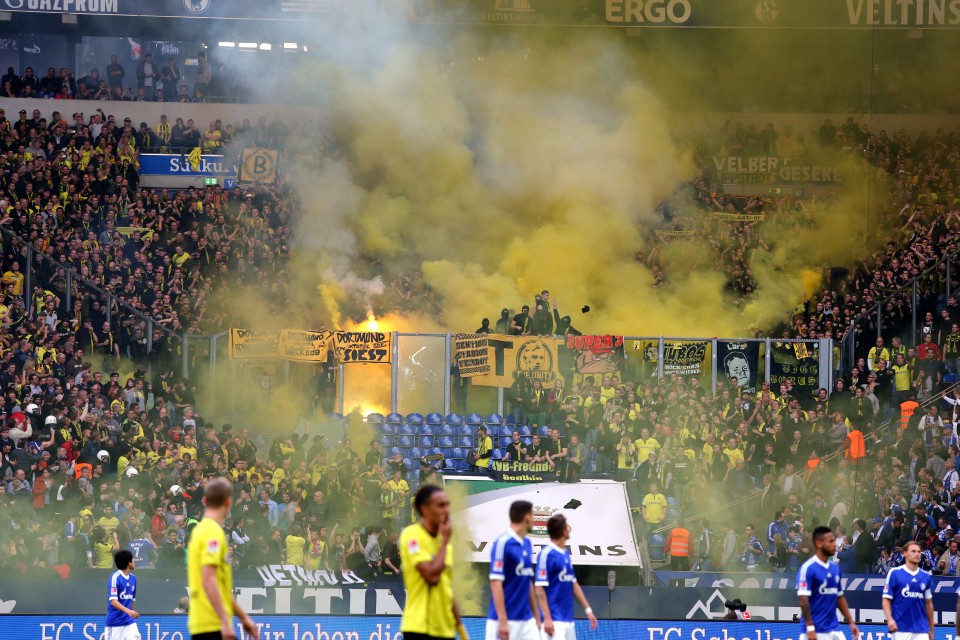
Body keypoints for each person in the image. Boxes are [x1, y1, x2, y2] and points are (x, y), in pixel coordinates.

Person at [187, 477, 259, 640]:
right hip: (214, 624)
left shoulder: (199, 531)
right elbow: (209, 579)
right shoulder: (213, 532)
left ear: (204, 501)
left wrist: (243, 617)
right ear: (228, 503)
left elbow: (220, 586)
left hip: (201, 622)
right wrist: (225, 622)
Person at [399, 485, 466, 640]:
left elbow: (446, 587)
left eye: (447, 505)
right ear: (425, 509)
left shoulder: (444, 541)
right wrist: (444, 543)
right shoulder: (412, 535)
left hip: (445, 629)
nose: (446, 510)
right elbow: (432, 577)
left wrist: (462, 632)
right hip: (419, 628)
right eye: (441, 505)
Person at [534, 513, 598, 640]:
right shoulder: (546, 554)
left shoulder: (565, 554)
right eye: (567, 526)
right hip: (553, 620)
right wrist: (547, 618)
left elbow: (573, 584)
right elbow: (539, 589)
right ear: (563, 531)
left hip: (568, 619)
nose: (569, 529)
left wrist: (588, 610)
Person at [487, 500, 538, 640]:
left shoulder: (527, 543)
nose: (534, 520)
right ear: (527, 517)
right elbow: (495, 583)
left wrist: (537, 617)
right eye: (533, 515)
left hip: (527, 621)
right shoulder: (503, 543)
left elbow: (528, 582)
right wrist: (503, 621)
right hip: (504, 620)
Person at [797, 526, 859, 640]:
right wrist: (810, 628)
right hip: (813, 631)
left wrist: (851, 622)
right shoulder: (808, 568)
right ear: (819, 543)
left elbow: (839, 597)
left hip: (833, 630)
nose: (834, 544)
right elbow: (803, 600)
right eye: (830, 541)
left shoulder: (835, 569)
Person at [882, 540, 934, 640]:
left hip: (921, 629)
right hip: (900, 628)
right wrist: (889, 620)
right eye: (913, 551)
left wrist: (931, 629)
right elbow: (886, 599)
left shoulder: (925, 576)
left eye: (919, 552)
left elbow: (928, 603)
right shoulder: (895, 573)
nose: (917, 554)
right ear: (904, 553)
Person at [106, 549, 139, 640]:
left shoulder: (133, 578)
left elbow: (132, 599)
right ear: (128, 563)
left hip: (130, 623)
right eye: (132, 559)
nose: (134, 561)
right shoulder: (115, 578)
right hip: (115, 623)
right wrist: (129, 611)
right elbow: (113, 601)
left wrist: (132, 612)